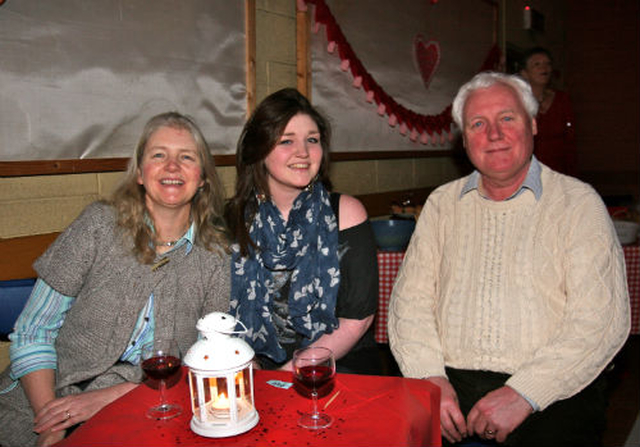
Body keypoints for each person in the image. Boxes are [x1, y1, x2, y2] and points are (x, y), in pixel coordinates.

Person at [388, 72, 630, 447]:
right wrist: (428, 378)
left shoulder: (578, 204)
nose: (494, 135)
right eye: (478, 124)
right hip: (448, 378)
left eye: (507, 118)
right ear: (464, 138)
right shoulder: (441, 205)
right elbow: (411, 304)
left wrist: (525, 393)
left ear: (533, 125)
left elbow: (600, 320)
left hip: (552, 387)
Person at [0, 112, 231, 447]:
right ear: (139, 173)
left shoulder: (216, 255)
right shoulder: (98, 226)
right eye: (158, 155)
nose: (171, 166)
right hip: (37, 400)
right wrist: (51, 422)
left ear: (203, 178)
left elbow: (209, 360)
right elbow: (33, 331)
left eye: (186, 157)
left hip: (145, 408)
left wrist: (118, 394)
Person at [225, 88, 380, 375]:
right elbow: (215, 313)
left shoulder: (346, 213)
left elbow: (358, 318)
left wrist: (286, 374)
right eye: (286, 141)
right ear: (259, 150)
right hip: (250, 368)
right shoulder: (228, 220)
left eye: (312, 140)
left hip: (336, 365)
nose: (304, 152)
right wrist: (250, 368)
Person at [519, 47, 578, 176]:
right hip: (527, 174)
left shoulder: (562, 99)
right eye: (537, 64)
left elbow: (571, 141)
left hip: (559, 173)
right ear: (524, 73)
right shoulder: (518, 103)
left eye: (548, 64)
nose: (544, 68)